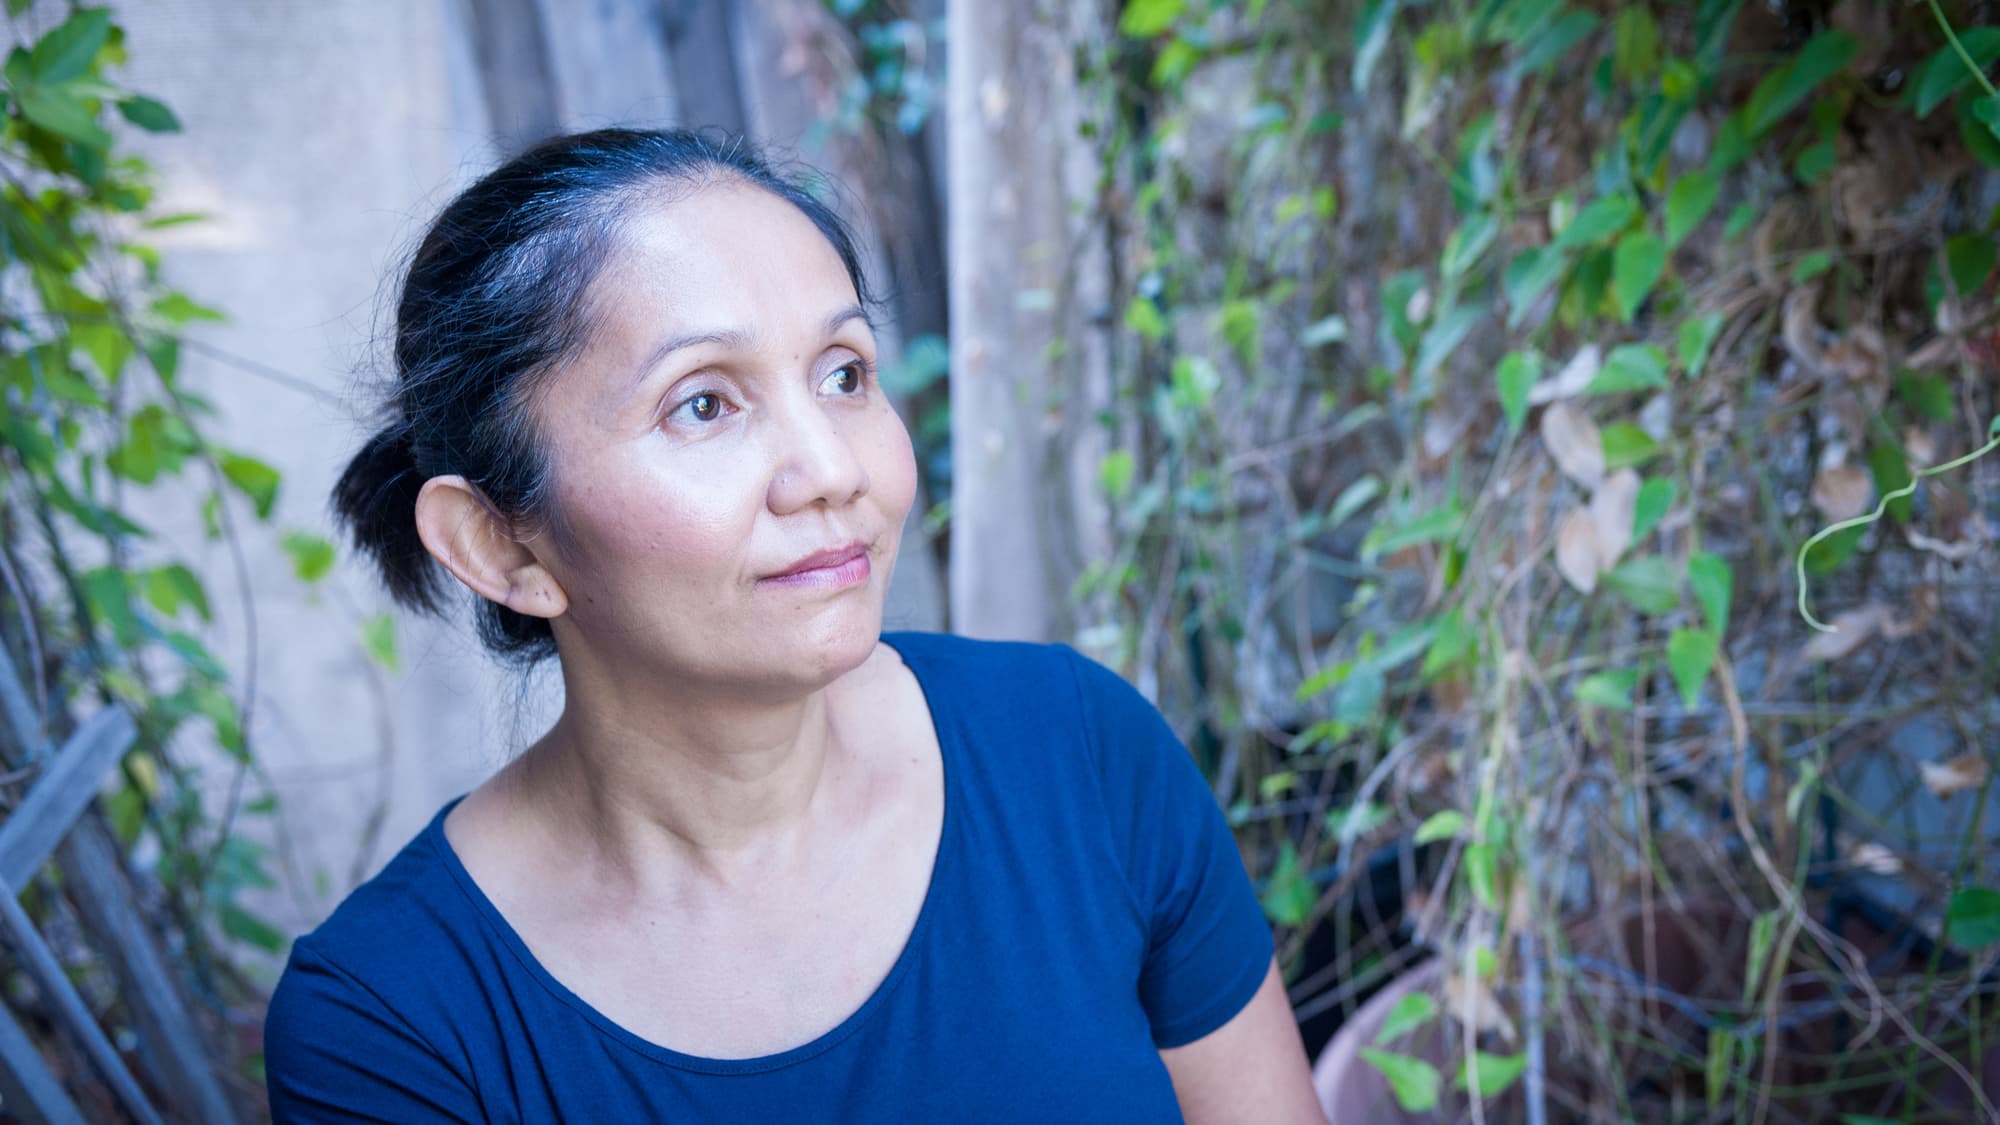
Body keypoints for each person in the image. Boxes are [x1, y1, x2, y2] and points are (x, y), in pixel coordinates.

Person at [264, 127, 1324, 1123]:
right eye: (704, 404)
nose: (830, 470)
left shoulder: (1074, 755)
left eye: (845, 374)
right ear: (505, 546)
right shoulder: (392, 1019)